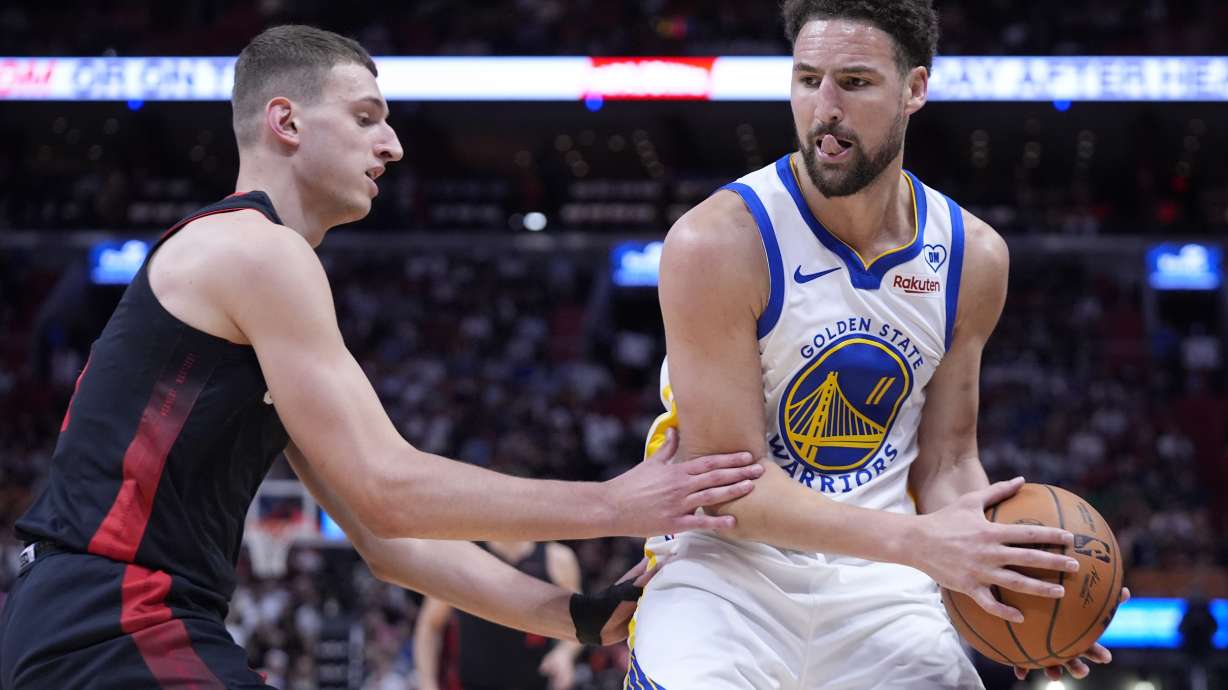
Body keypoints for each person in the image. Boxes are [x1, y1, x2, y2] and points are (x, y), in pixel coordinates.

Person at [0, 25, 764, 690]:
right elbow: (390, 485)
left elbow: (386, 539)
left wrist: (579, 617)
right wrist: (612, 505)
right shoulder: (257, 252)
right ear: (286, 122)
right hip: (113, 620)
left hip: (94, 620)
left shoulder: (255, 267)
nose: (393, 145)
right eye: (366, 117)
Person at [624, 2, 1127, 689]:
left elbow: (949, 460)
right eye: (807, 80)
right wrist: (925, 545)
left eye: (854, 83)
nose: (824, 107)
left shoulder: (972, 255)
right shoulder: (716, 242)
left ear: (915, 89)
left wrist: (1018, 588)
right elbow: (729, 493)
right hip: (725, 576)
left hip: (884, 587)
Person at [414, 540, 582, 690]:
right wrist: (427, 682)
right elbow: (430, 625)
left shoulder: (557, 559)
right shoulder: (459, 557)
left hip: (535, 683)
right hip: (471, 683)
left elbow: (580, 624)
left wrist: (565, 654)